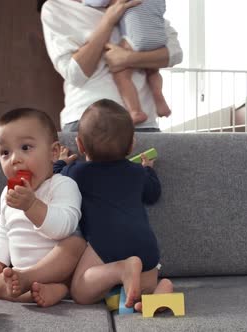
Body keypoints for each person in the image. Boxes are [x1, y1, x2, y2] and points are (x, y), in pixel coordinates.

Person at [53, 99, 173, 310]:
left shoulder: (78, 172)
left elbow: (55, 182)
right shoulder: (137, 173)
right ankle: (161, 288)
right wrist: (148, 169)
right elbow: (153, 194)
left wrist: (62, 162)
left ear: (80, 145)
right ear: (131, 144)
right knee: (143, 289)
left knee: (80, 292)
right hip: (144, 243)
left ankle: (122, 270)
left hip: (107, 242)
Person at [0, 108, 87, 307]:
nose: (15, 159)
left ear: (53, 153)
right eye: (5, 152)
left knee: (75, 244)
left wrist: (31, 205)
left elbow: (64, 227)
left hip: (58, 271)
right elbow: (4, 231)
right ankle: (36, 292)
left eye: (26, 147)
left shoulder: (62, 185)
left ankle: (55, 285)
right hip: (20, 272)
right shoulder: (7, 194)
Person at [39, 0, 183, 132]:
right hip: (88, 120)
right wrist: (108, 20)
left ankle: (156, 101)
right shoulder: (56, 7)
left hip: (142, 124)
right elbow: (75, 75)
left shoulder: (134, 4)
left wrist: (128, 58)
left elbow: (175, 53)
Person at [81, 0, 171, 125]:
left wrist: (86, 2)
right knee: (152, 71)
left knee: (121, 73)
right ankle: (159, 99)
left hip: (136, 37)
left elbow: (98, 2)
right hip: (158, 36)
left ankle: (135, 111)